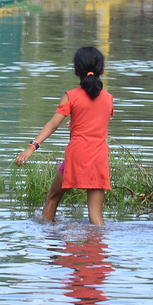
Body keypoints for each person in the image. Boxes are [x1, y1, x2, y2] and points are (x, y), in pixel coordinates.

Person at [15, 46, 113, 225]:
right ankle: (99, 250)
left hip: (77, 156)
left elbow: (53, 124)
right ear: (102, 70)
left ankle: (49, 241)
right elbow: (95, 121)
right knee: (96, 216)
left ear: (76, 71)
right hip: (99, 158)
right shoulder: (108, 98)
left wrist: (32, 147)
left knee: (53, 197)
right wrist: (77, 124)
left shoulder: (71, 96)